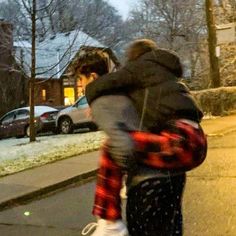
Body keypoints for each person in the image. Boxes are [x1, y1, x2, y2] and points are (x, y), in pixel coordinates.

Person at [83, 39, 207, 236]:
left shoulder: (141, 68)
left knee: (110, 149)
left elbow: (111, 81)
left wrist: (90, 93)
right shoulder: (167, 76)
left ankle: (109, 222)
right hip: (195, 141)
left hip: (178, 141)